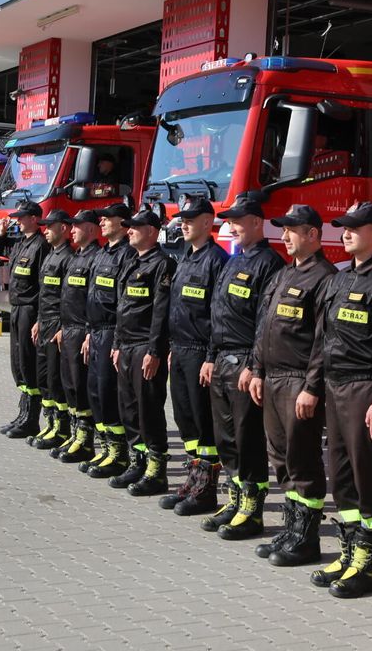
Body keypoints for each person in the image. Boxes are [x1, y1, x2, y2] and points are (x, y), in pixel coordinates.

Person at [307, 201, 372, 599]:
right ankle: (350, 551)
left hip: (365, 390)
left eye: (355, 227)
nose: (346, 233)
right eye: (344, 227)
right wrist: (314, 386)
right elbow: (322, 341)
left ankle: (367, 566)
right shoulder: (338, 280)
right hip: (335, 390)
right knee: (342, 475)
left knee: (367, 476)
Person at [246, 204, 336, 566]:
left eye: (291, 230)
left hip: (299, 382)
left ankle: (307, 539)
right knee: (280, 457)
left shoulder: (324, 278)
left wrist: (312, 388)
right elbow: (264, 326)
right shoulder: (284, 275)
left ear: (312, 235)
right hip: (273, 380)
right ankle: (291, 528)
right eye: (283, 230)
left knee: (303, 460)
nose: (284, 237)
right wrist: (256, 369)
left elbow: (323, 342)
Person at [201, 192, 284, 540]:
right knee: (227, 439)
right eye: (229, 221)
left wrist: (254, 365)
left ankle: (252, 509)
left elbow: (264, 323)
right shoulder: (234, 261)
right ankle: (235, 500)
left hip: (244, 365)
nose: (231, 227)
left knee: (247, 440)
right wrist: (209, 357)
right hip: (221, 361)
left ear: (255, 222)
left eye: (237, 221)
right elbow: (217, 315)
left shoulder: (269, 264)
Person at [160, 196, 229, 516]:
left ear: (207, 222)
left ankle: (207, 491)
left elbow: (218, 315)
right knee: (185, 420)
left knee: (204, 424)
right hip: (181, 350)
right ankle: (192, 479)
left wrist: (211, 357)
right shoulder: (186, 257)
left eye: (190, 218)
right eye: (182, 218)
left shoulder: (216, 260)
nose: (183, 224)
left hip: (201, 352)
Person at [110, 206, 177, 495]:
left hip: (144, 349)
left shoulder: (162, 264)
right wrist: (115, 344)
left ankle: (156, 468)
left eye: (135, 227)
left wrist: (155, 351)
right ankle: (137, 461)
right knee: (129, 407)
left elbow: (161, 312)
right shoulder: (132, 262)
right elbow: (121, 306)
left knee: (148, 408)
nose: (130, 231)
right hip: (125, 346)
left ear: (151, 231)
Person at [84, 202, 136, 478]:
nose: (102, 222)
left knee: (108, 392)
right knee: (95, 392)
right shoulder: (103, 253)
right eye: (101, 218)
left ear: (123, 223)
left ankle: (119, 453)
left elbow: (123, 303)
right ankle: (106, 447)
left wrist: (116, 340)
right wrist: (87, 332)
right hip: (95, 331)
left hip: (111, 332)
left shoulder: (127, 255)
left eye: (108, 218)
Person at [0, 200, 50, 439]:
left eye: (22, 217)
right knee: (18, 363)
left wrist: (39, 318)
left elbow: (43, 285)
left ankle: (31, 419)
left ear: (34, 218)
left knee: (29, 362)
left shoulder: (41, 246)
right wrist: (1, 234)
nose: (18, 220)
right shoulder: (21, 245)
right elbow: (3, 251)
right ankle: (23, 414)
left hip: (30, 310)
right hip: (17, 309)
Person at [56, 209, 102, 464]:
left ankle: (86, 441)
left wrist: (86, 331)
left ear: (92, 229)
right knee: (71, 385)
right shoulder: (77, 257)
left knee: (82, 387)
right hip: (69, 328)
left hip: (83, 330)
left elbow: (93, 300)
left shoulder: (95, 258)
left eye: (77, 226)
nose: (71, 230)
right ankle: (76, 434)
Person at [28, 208, 75, 453]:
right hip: (44, 322)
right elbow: (43, 294)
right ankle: (51, 423)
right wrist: (37, 320)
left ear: (64, 229)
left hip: (57, 323)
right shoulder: (49, 255)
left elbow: (69, 299)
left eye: (50, 226)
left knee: (57, 379)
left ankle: (63, 428)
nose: (45, 230)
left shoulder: (69, 258)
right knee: (44, 377)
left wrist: (63, 327)